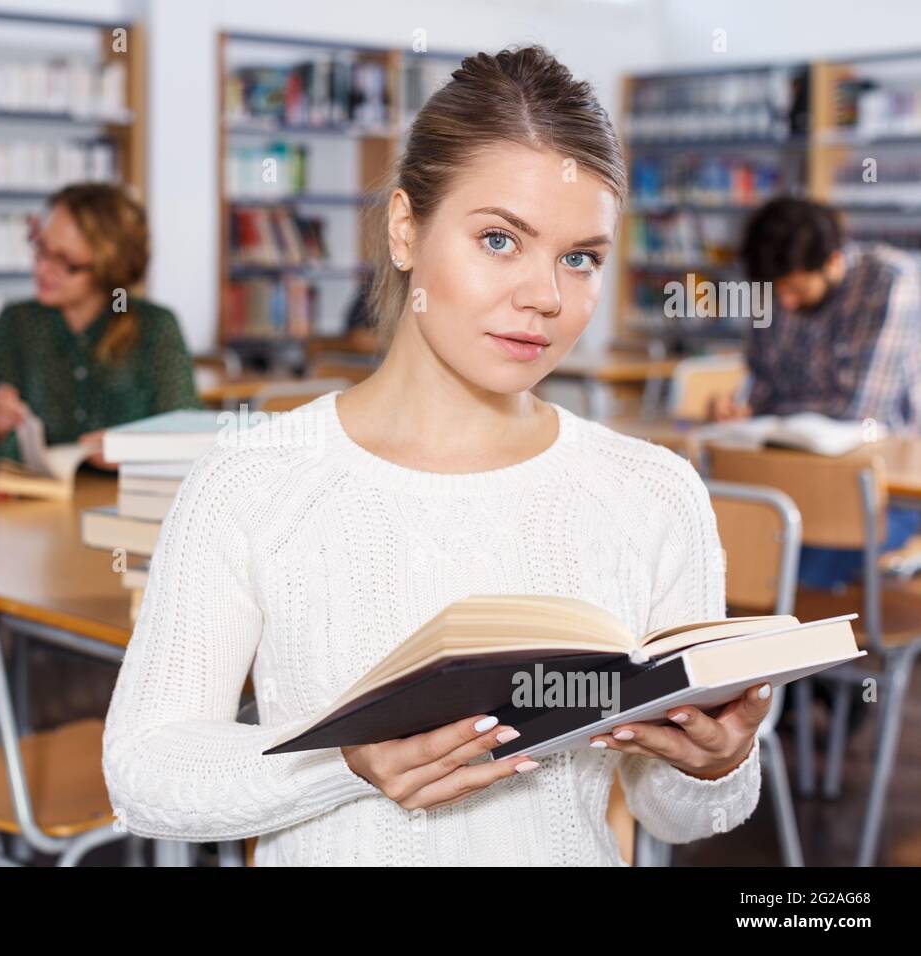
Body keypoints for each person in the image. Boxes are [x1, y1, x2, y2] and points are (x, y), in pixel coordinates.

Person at [102, 46, 769, 866]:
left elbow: (675, 814)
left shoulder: (654, 492)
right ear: (405, 228)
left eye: (580, 257)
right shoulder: (251, 479)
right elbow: (143, 774)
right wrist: (344, 762)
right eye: (499, 239)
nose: (546, 297)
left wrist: (719, 760)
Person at [711, 197, 921, 589]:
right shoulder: (774, 291)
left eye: (795, 288)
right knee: (720, 558)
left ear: (834, 261)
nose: (785, 303)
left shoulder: (892, 282)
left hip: (884, 489)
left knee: (781, 575)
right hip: (786, 480)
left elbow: (858, 409)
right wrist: (740, 407)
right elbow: (762, 382)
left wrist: (768, 409)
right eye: (776, 291)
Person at [0, 183, 201, 469]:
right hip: (39, 507)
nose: (42, 269)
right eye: (41, 249)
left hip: (128, 504)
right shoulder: (16, 323)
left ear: (108, 267)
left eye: (65, 262)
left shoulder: (155, 327)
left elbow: (190, 439)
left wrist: (135, 450)